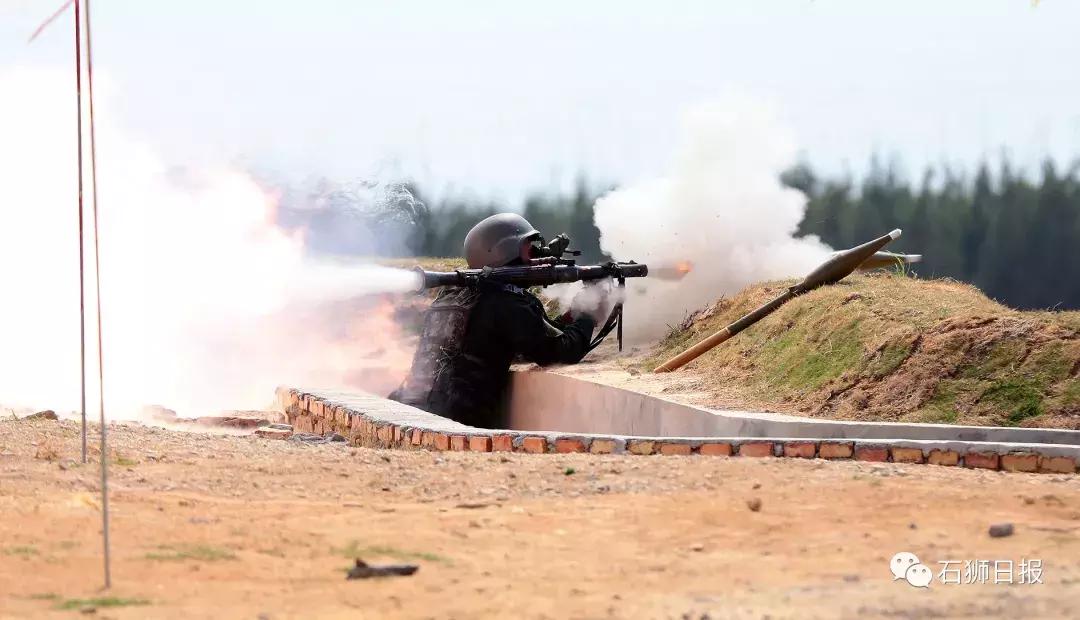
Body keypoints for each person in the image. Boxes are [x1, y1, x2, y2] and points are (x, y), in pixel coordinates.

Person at [390, 213, 612, 428]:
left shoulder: (451, 293)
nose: (536, 256)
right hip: (455, 423)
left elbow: (533, 336)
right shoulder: (506, 302)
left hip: (413, 409)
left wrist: (573, 315)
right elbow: (563, 350)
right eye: (530, 249)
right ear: (506, 251)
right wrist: (589, 313)